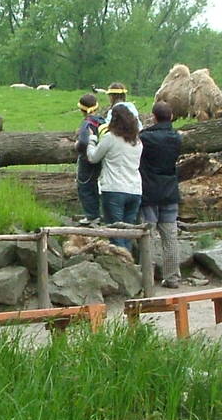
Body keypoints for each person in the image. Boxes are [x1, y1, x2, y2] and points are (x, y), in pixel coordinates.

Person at [139, 101, 184, 287]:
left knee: (147, 236)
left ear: (154, 117)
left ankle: (147, 278)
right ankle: (172, 277)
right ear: (171, 117)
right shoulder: (177, 138)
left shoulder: (145, 138)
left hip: (149, 191)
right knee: (170, 236)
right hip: (170, 190)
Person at [86, 102, 143, 248]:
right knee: (128, 234)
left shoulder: (110, 138)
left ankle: (121, 260)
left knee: (115, 234)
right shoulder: (137, 141)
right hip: (135, 190)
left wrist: (91, 140)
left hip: (114, 189)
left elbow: (93, 157)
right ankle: (128, 259)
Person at [74, 93, 103, 225]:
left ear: (81, 109)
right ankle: (98, 213)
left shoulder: (87, 124)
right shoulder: (102, 121)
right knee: (96, 185)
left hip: (87, 159)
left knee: (85, 186)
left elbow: (84, 142)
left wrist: (77, 146)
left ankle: (91, 215)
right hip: (100, 156)